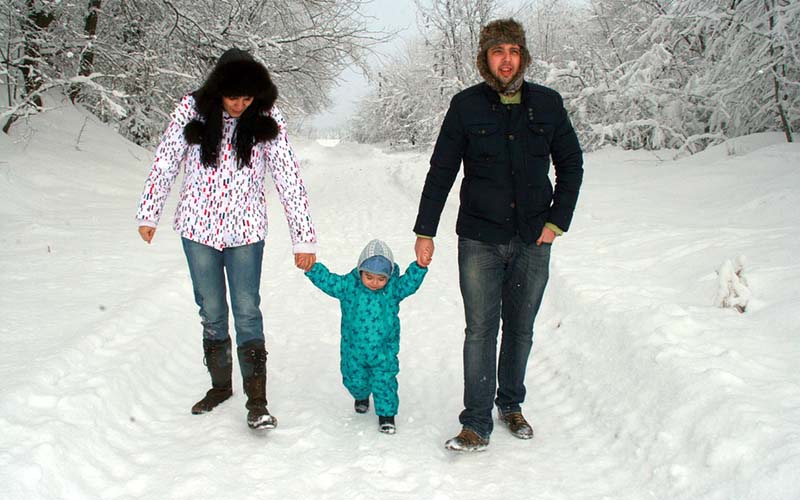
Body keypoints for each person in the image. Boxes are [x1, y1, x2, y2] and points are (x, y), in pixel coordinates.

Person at [413, 19, 584, 452]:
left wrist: (555, 221)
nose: (506, 59)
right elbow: (442, 171)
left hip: (532, 239)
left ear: (522, 55)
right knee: (480, 330)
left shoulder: (548, 104)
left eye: (512, 50)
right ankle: (475, 422)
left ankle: (510, 404)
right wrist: (425, 230)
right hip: (479, 239)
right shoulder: (465, 106)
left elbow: (572, 165)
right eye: (497, 52)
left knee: (521, 328)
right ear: (485, 59)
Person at [136, 48, 317, 430]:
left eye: (247, 98)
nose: (239, 105)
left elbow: (288, 177)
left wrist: (304, 237)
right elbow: (166, 159)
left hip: (246, 231)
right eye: (233, 97)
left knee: (247, 309)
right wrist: (150, 211)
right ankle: (220, 387)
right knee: (212, 310)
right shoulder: (192, 111)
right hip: (198, 229)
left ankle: (258, 401)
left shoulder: (267, 119)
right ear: (218, 89)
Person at [304, 239, 427, 434]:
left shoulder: (393, 290)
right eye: (369, 277)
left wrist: (419, 266)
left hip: (384, 351)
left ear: (389, 277)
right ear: (360, 271)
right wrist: (312, 268)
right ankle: (361, 395)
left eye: (381, 278)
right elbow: (329, 281)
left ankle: (387, 416)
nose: (375, 283)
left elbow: (409, 284)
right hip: (354, 350)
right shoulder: (348, 287)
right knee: (354, 379)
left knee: (385, 381)